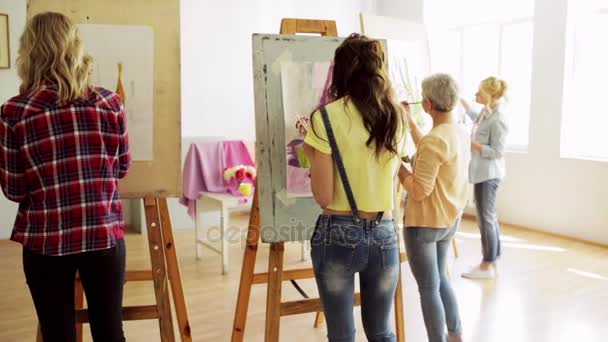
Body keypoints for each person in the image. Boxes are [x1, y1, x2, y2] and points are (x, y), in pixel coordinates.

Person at [0, 12, 130, 342]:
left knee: (57, 335)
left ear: (29, 52)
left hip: (46, 243)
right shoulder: (110, 103)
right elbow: (122, 168)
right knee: (110, 333)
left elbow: (14, 190)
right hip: (103, 236)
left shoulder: (14, 112)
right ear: (76, 48)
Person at [303, 33, 406, 342]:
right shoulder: (396, 115)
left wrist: (312, 155)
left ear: (341, 70)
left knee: (342, 335)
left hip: (338, 233)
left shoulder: (325, 117)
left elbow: (323, 195)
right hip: (385, 233)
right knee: (382, 332)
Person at [399, 73, 469, 342]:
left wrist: (397, 167)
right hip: (449, 221)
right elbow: (431, 153)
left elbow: (418, 190)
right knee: (441, 279)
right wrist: (408, 123)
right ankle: (455, 334)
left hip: (425, 223)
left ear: (427, 104)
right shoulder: (458, 132)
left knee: (429, 287)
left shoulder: (434, 140)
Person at [460, 76, 509, 280]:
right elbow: (476, 118)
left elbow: (497, 151)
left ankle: (486, 263)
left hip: (489, 175)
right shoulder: (486, 113)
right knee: (489, 217)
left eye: (479, 92)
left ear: (490, 95)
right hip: (482, 173)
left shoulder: (499, 119)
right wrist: (462, 102)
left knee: (485, 218)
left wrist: (473, 145)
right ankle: (493, 258)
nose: (476, 95)